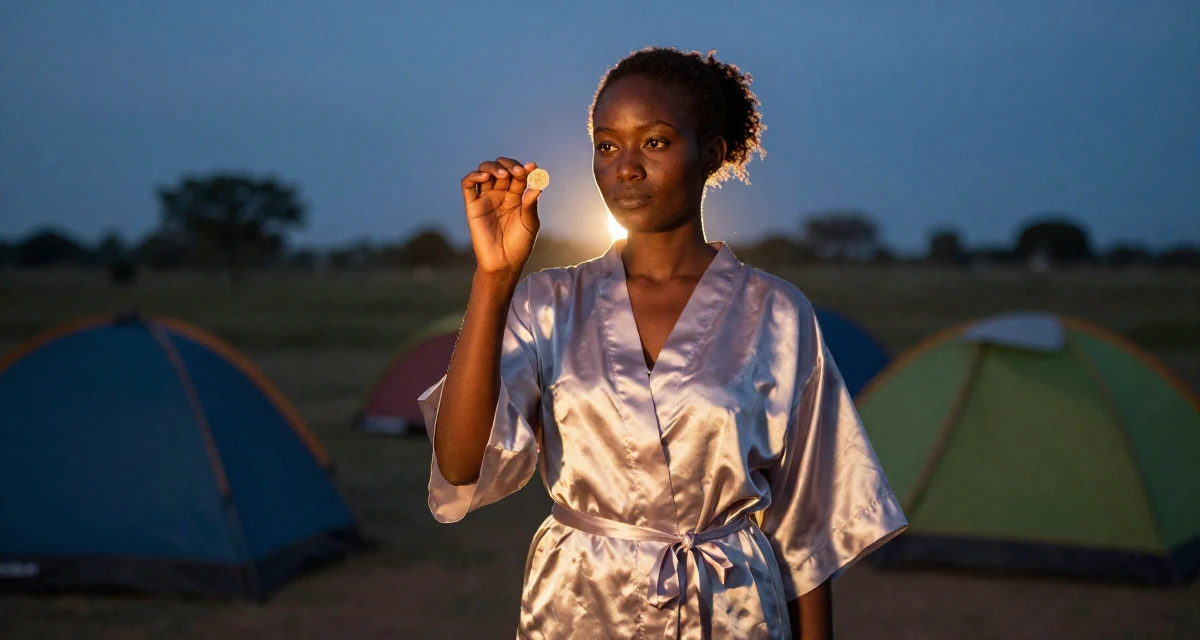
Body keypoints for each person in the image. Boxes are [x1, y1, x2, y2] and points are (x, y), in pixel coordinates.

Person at [420, 46, 907, 640]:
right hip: (579, 610)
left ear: (711, 154)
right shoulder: (547, 304)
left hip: (733, 614)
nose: (625, 167)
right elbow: (459, 462)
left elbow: (807, 528)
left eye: (654, 142)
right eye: (606, 145)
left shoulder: (775, 312)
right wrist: (494, 279)